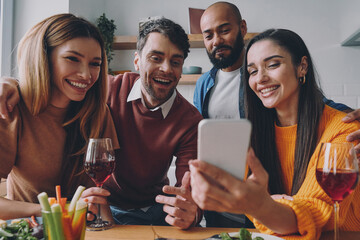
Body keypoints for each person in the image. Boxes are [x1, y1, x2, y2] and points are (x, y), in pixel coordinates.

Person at [0, 17, 203, 229]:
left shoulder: (96, 109)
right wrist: (11, 83)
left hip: (146, 211)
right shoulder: (102, 92)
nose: (86, 75)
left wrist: (192, 213)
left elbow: (189, 194)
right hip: (37, 226)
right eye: (156, 57)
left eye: (95, 64)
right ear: (137, 61)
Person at [192, 1, 360, 228]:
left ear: (302, 67)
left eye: (272, 65)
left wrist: (260, 205)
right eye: (252, 71)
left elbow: (313, 209)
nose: (260, 78)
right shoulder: (253, 133)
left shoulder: (342, 132)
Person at [0, 13, 119, 220]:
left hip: (82, 227)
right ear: (43, 58)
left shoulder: (98, 113)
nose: (86, 74)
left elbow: (97, 200)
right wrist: (56, 212)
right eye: (72, 59)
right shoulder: (11, 110)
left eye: (95, 63)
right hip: (30, 228)